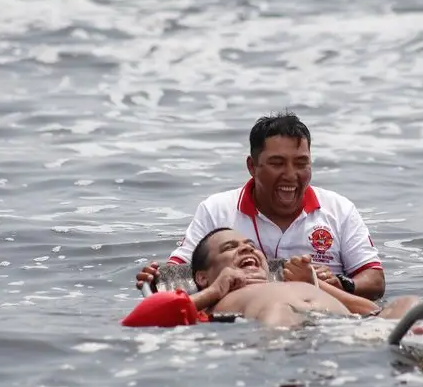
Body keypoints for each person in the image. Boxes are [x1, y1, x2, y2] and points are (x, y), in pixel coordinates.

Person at [136, 110, 386, 299]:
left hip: (326, 317)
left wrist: (342, 284)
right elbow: (179, 273)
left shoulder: (339, 209)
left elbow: (375, 281)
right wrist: (156, 278)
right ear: (252, 166)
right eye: (277, 163)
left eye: (301, 163)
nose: (291, 175)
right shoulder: (217, 209)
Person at [124, 228, 417, 328]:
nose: (245, 248)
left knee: (408, 304)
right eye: (230, 248)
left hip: (345, 329)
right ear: (201, 276)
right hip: (281, 331)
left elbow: (371, 311)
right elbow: (140, 319)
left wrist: (318, 284)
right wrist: (216, 290)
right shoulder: (211, 300)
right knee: (279, 310)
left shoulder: (289, 281)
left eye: (251, 246)